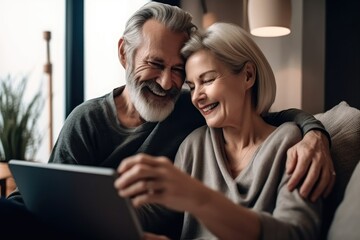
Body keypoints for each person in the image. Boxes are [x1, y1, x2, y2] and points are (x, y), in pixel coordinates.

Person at [4, 1, 331, 237]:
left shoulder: (197, 114)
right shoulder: (190, 137)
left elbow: (268, 117)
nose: (169, 84)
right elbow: (47, 204)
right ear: (124, 54)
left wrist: (315, 132)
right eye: (155, 64)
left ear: (247, 75)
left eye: (182, 73)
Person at [114, 22, 322, 240]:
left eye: (208, 80)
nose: (196, 97)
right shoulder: (194, 145)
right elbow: (156, 212)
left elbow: (297, 233)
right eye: (192, 86)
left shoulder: (291, 143)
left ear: (248, 76)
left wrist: (200, 199)